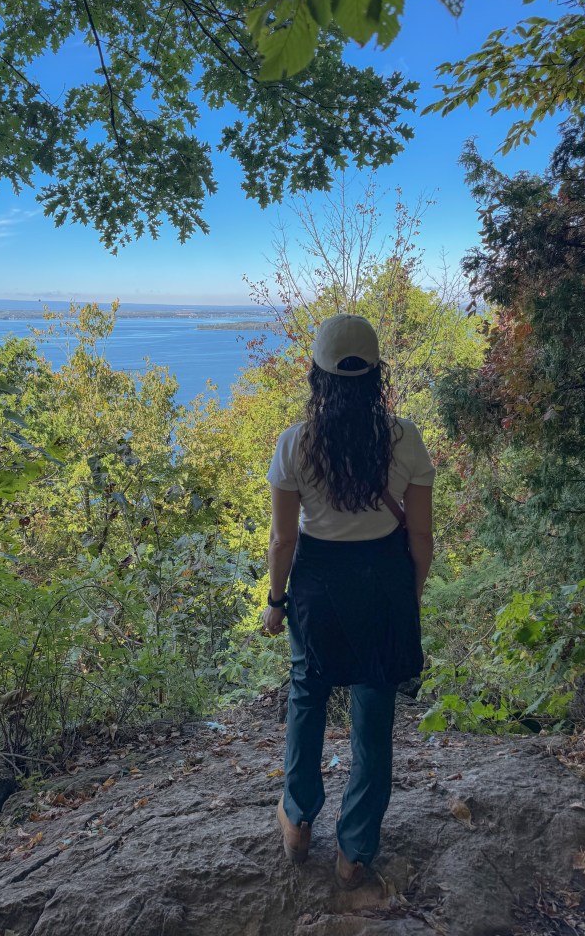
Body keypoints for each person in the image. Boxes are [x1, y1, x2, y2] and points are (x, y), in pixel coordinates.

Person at [262, 313, 435, 888]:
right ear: (377, 374)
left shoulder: (296, 444)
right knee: (373, 707)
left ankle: (298, 817)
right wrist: (407, 594)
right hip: (384, 577)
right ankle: (355, 850)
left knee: (307, 693)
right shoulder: (404, 438)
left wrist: (274, 599)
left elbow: (284, 539)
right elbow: (420, 536)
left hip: (318, 585)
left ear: (317, 375)